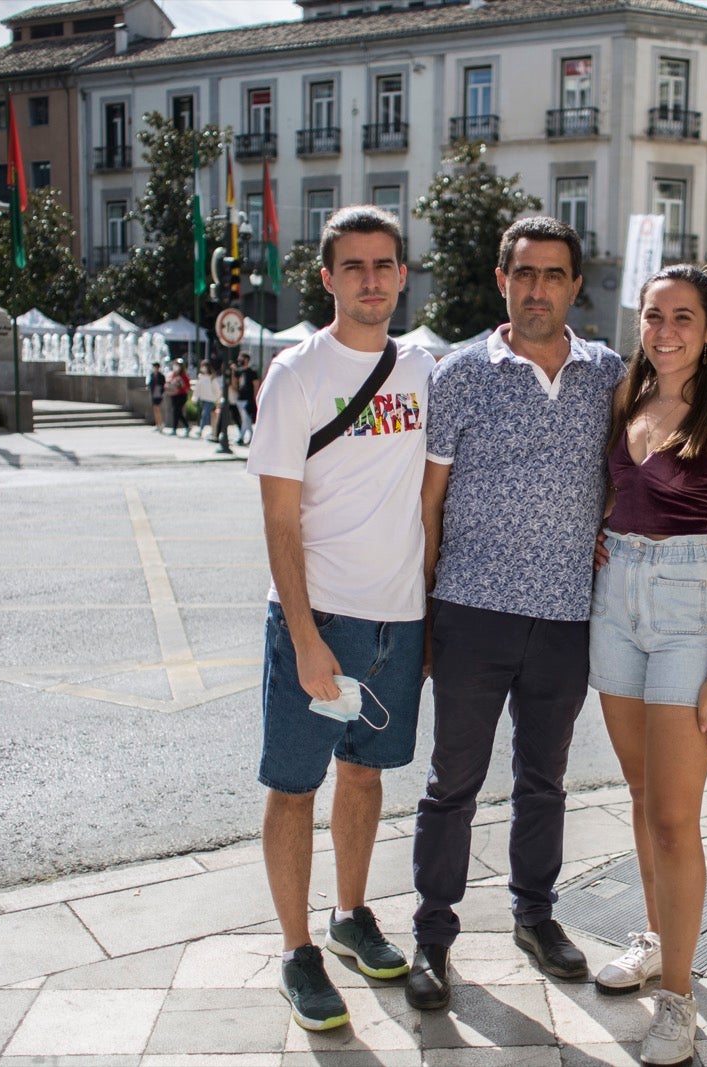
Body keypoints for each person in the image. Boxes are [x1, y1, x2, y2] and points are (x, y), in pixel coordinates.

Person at [407, 217, 626, 1011]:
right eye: (524, 274)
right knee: (452, 782)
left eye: (553, 275)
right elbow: (429, 502)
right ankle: (433, 935)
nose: (538, 289)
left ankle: (535, 915)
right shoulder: (459, 374)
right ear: (502, 281)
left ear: (576, 286)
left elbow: (635, 466)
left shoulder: (608, 374)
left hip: (566, 617)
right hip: (470, 611)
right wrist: (424, 614)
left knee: (545, 780)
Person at [248, 205, 432, 1032]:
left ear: (402, 274)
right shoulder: (296, 375)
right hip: (319, 619)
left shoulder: (422, 368)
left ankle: (350, 915)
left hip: (401, 619)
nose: (370, 278)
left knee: (366, 774)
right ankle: (297, 950)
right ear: (326, 278)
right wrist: (305, 637)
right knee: (294, 788)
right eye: (352, 265)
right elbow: (278, 519)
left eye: (383, 263)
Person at [587, 265, 707, 1065]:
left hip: (691, 607)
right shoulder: (626, 396)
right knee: (639, 790)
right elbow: (611, 494)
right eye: (654, 315)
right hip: (615, 599)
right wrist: (603, 532)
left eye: (684, 317)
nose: (665, 331)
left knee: (673, 816)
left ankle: (679, 1000)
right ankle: (657, 939)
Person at [235, 353, 259, 445]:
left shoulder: (252, 372)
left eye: (241, 359)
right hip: (240, 398)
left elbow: (256, 385)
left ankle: (241, 437)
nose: (239, 361)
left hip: (248, 398)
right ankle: (252, 436)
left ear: (246, 360)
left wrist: (255, 398)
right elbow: (235, 383)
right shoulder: (239, 371)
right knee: (246, 419)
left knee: (245, 419)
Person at [194, 359, 221, 438]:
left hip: (210, 400)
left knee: (205, 415)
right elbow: (197, 388)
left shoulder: (212, 378)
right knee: (209, 416)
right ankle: (213, 432)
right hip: (203, 399)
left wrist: (218, 399)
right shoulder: (201, 377)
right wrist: (195, 397)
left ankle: (201, 430)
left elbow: (217, 390)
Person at [164, 359, 191, 436]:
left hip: (181, 395)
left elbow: (187, 387)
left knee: (177, 411)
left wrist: (180, 384)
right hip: (174, 395)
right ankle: (182, 427)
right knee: (176, 412)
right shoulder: (172, 375)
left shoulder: (184, 376)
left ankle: (178, 428)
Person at [146, 362, 166, 431]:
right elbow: (150, 384)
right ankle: (157, 424)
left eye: (155, 367)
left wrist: (161, 393)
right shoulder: (152, 375)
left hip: (158, 393)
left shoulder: (161, 376)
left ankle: (161, 423)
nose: (154, 369)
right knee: (155, 409)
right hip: (153, 393)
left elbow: (163, 385)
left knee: (157, 409)